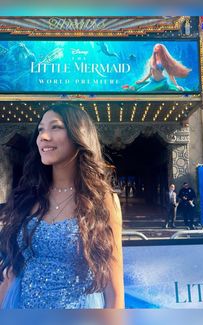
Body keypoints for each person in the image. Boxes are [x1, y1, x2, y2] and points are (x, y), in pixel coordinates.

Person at [0, 103, 124, 309]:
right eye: (40, 130)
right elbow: (12, 272)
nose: (44, 137)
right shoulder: (30, 196)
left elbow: (114, 289)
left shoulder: (102, 201)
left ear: (79, 136)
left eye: (55, 127)